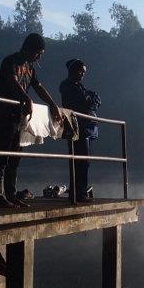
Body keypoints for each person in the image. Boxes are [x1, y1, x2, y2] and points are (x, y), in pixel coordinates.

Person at [0, 33, 64, 208]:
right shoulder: (10, 62)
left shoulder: (30, 68)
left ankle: (11, 193)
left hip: (20, 119)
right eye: (38, 53)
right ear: (29, 48)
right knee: (1, 157)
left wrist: (53, 105)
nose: (39, 57)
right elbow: (12, 81)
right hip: (4, 115)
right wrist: (26, 98)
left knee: (15, 157)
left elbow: (38, 87)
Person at [59, 59, 101, 201]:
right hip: (76, 128)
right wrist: (90, 100)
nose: (83, 74)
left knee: (84, 161)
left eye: (84, 72)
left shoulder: (78, 87)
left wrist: (91, 100)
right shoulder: (67, 86)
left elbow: (91, 103)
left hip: (84, 128)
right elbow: (82, 105)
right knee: (79, 161)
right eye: (81, 71)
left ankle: (80, 191)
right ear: (74, 71)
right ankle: (78, 194)